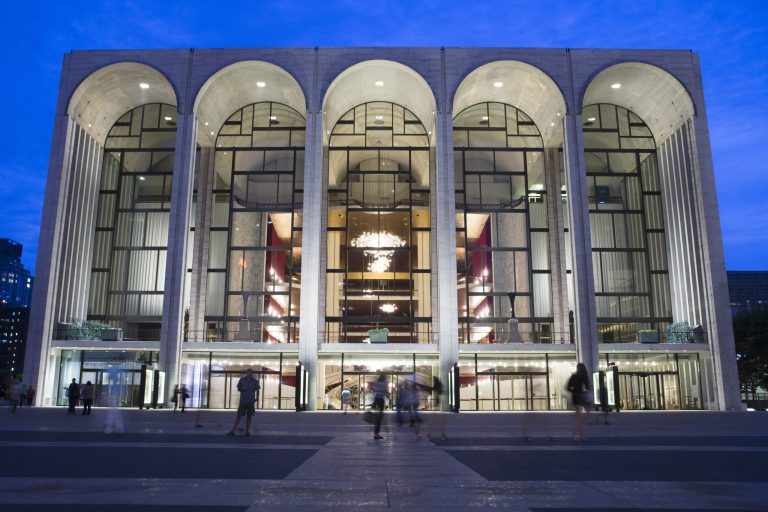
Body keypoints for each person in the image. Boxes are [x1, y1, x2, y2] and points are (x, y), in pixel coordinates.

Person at [227, 368, 260, 436]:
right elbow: (238, 388)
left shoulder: (255, 381)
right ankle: (233, 430)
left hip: (251, 400)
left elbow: (257, 389)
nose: (249, 373)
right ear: (246, 373)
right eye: (248, 372)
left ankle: (247, 431)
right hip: (243, 400)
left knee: (249, 416)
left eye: (250, 372)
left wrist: (257, 398)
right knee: (239, 415)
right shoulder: (242, 380)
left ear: (252, 373)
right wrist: (242, 389)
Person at [567, 363, 591, 441]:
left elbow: (568, 387)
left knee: (578, 417)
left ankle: (577, 433)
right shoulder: (584, 376)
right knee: (586, 414)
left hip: (575, 397)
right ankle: (580, 434)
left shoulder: (574, 376)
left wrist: (573, 391)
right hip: (581, 396)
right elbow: (588, 387)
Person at [427, 376, 448, 441]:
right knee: (439, 422)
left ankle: (431, 434)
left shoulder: (436, 387)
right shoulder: (439, 387)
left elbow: (431, 389)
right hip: (438, 406)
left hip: (436, 406)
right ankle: (441, 434)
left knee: (435, 421)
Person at [372, 373, 387, 440]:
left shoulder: (377, 382)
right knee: (379, 418)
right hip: (381, 400)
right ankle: (376, 434)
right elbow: (385, 391)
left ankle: (376, 433)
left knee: (378, 417)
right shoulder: (384, 382)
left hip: (376, 400)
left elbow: (375, 388)